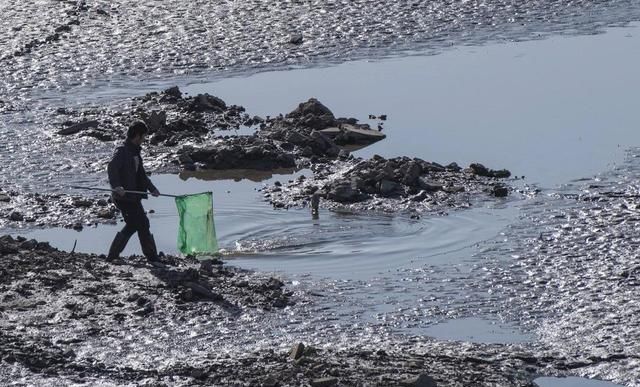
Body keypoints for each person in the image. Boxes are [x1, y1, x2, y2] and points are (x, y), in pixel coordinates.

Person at [106, 121, 160, 263]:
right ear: (137, 135)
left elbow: (141, 175)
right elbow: (111, 168)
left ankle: (152, 257)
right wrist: (117, 186)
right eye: (143, 137)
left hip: (134, 197)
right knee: (135, 224)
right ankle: (113, 256)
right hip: (123, 197)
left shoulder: (135, 152)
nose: (143, 140)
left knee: (142, 224)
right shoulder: (122, 151)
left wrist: (152, 188)